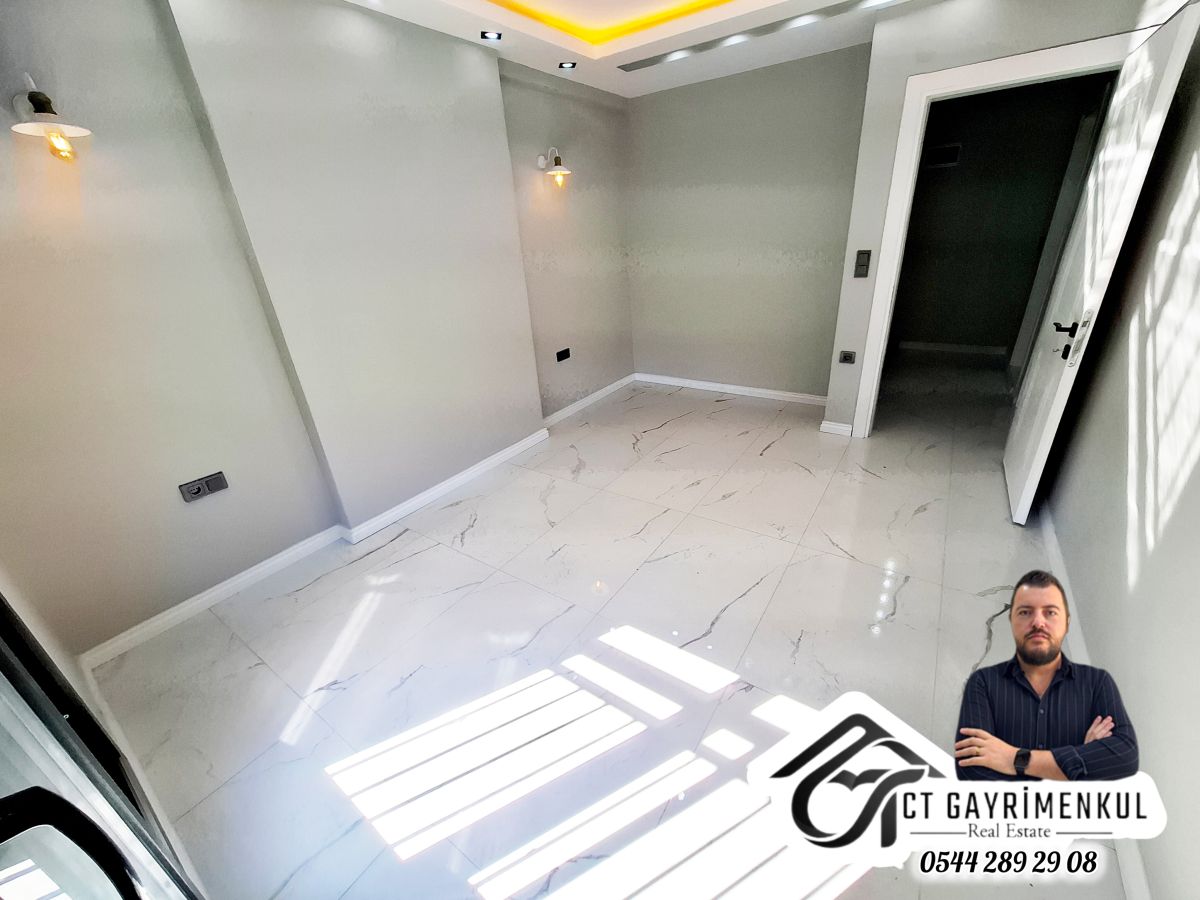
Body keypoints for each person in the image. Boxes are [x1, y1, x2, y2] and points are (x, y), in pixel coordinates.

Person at [954, 570, 1138, 780]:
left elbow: (1125, 756)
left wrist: (1014, 758)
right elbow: (971, 771)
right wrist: (1079, 766)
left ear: (1067, 622)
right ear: (1011, 620)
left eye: (1050, 612)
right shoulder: (984, 683)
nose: (1038, 623)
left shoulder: (1097, 683)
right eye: (1025, 612)